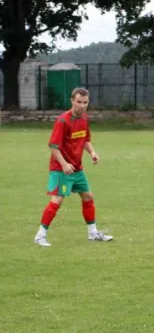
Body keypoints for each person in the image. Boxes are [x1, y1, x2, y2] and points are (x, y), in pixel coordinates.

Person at [34, 87, 113, 247]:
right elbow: (53, 146)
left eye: (85, 102)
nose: (82, 106)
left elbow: (84, 139)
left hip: (77, 168)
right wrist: (64, 164)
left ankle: (92, 233)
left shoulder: (84, 119)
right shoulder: (63, 121)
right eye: (79, 102)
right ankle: (40, 236)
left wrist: (92, 153)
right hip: (61, 168)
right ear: (72, 101)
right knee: (57, 200)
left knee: (88, 196)